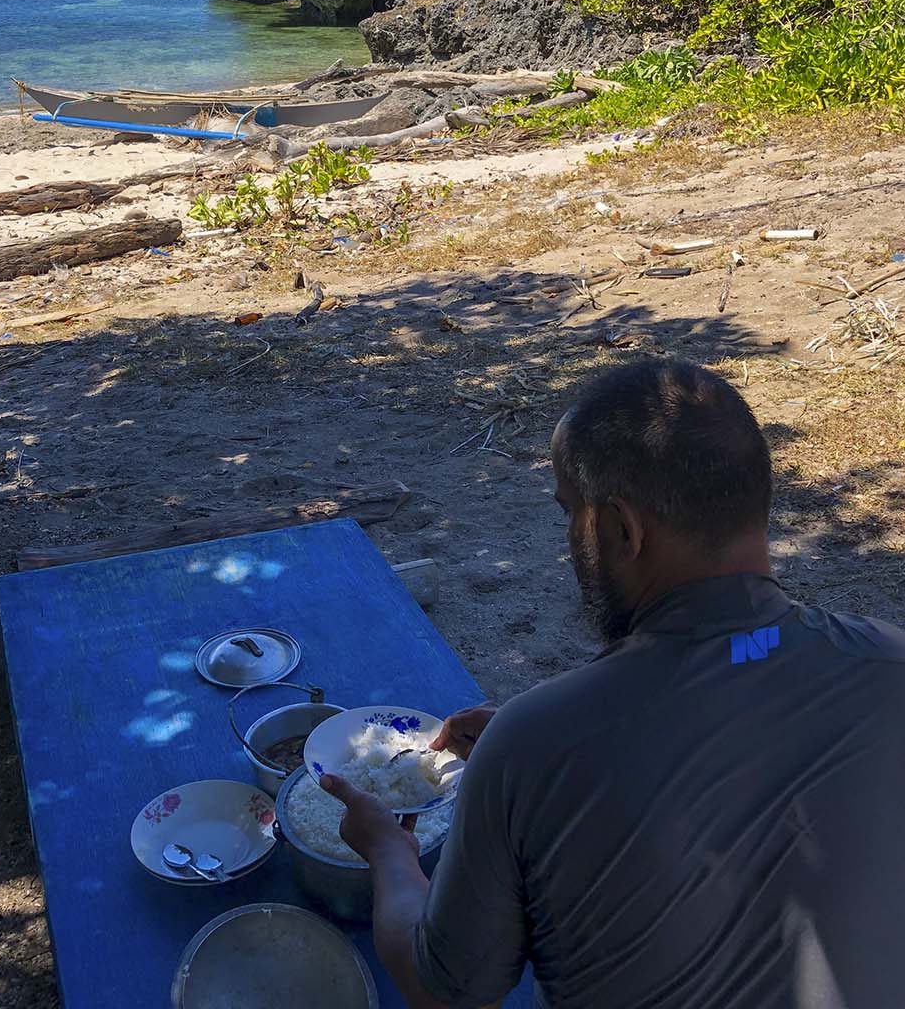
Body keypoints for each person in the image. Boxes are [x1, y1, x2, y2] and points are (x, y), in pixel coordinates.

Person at [322, 357, 905, 1008]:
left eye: (571, 512)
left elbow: (445, 994)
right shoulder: (892, 666)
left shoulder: (532, 746)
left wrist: (388, 852)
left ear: (621, 530)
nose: (571, 538)